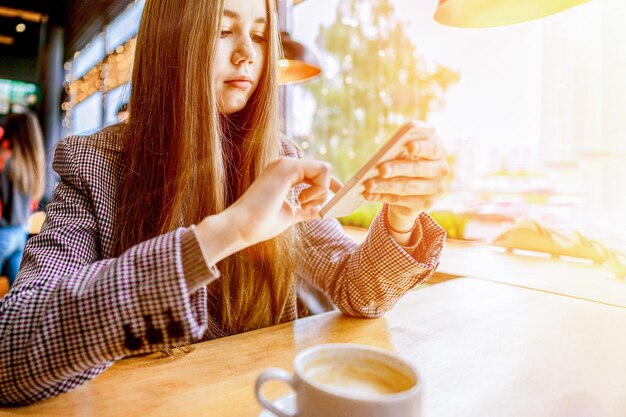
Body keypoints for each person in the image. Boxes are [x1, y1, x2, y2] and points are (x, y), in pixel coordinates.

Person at [0, 0, 447, 405]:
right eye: (221, 30)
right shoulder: (96, 163)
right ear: (172, 41)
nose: (247, 55)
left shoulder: (278, 157)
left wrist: (402, 218)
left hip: (262, 401)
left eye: (258, 35)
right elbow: (11, 351)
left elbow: (359, 291)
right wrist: (224, 233)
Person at [0, 111, 45, 287]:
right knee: (17, 291)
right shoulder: (30, 163)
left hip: (3, 232)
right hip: (20, 233)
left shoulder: (4, 160)